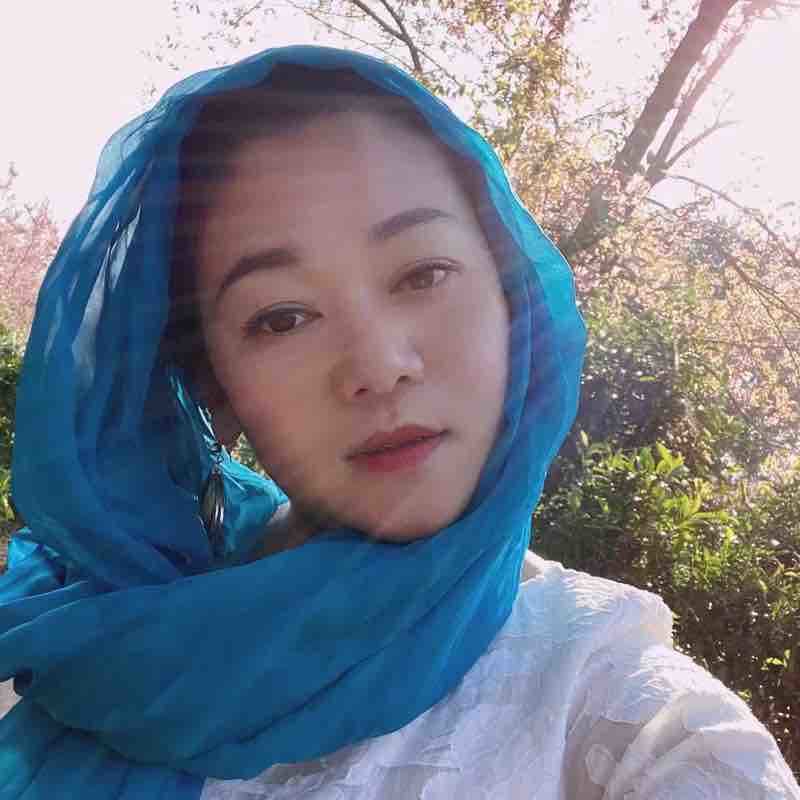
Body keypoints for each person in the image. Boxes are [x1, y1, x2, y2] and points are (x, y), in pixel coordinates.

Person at [0, 45, 797, 800]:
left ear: (511, 296)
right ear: (214, 379)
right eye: (281, 317)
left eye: (423, 272)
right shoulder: (96, 635)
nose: (380, 366)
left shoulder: (611, 701)